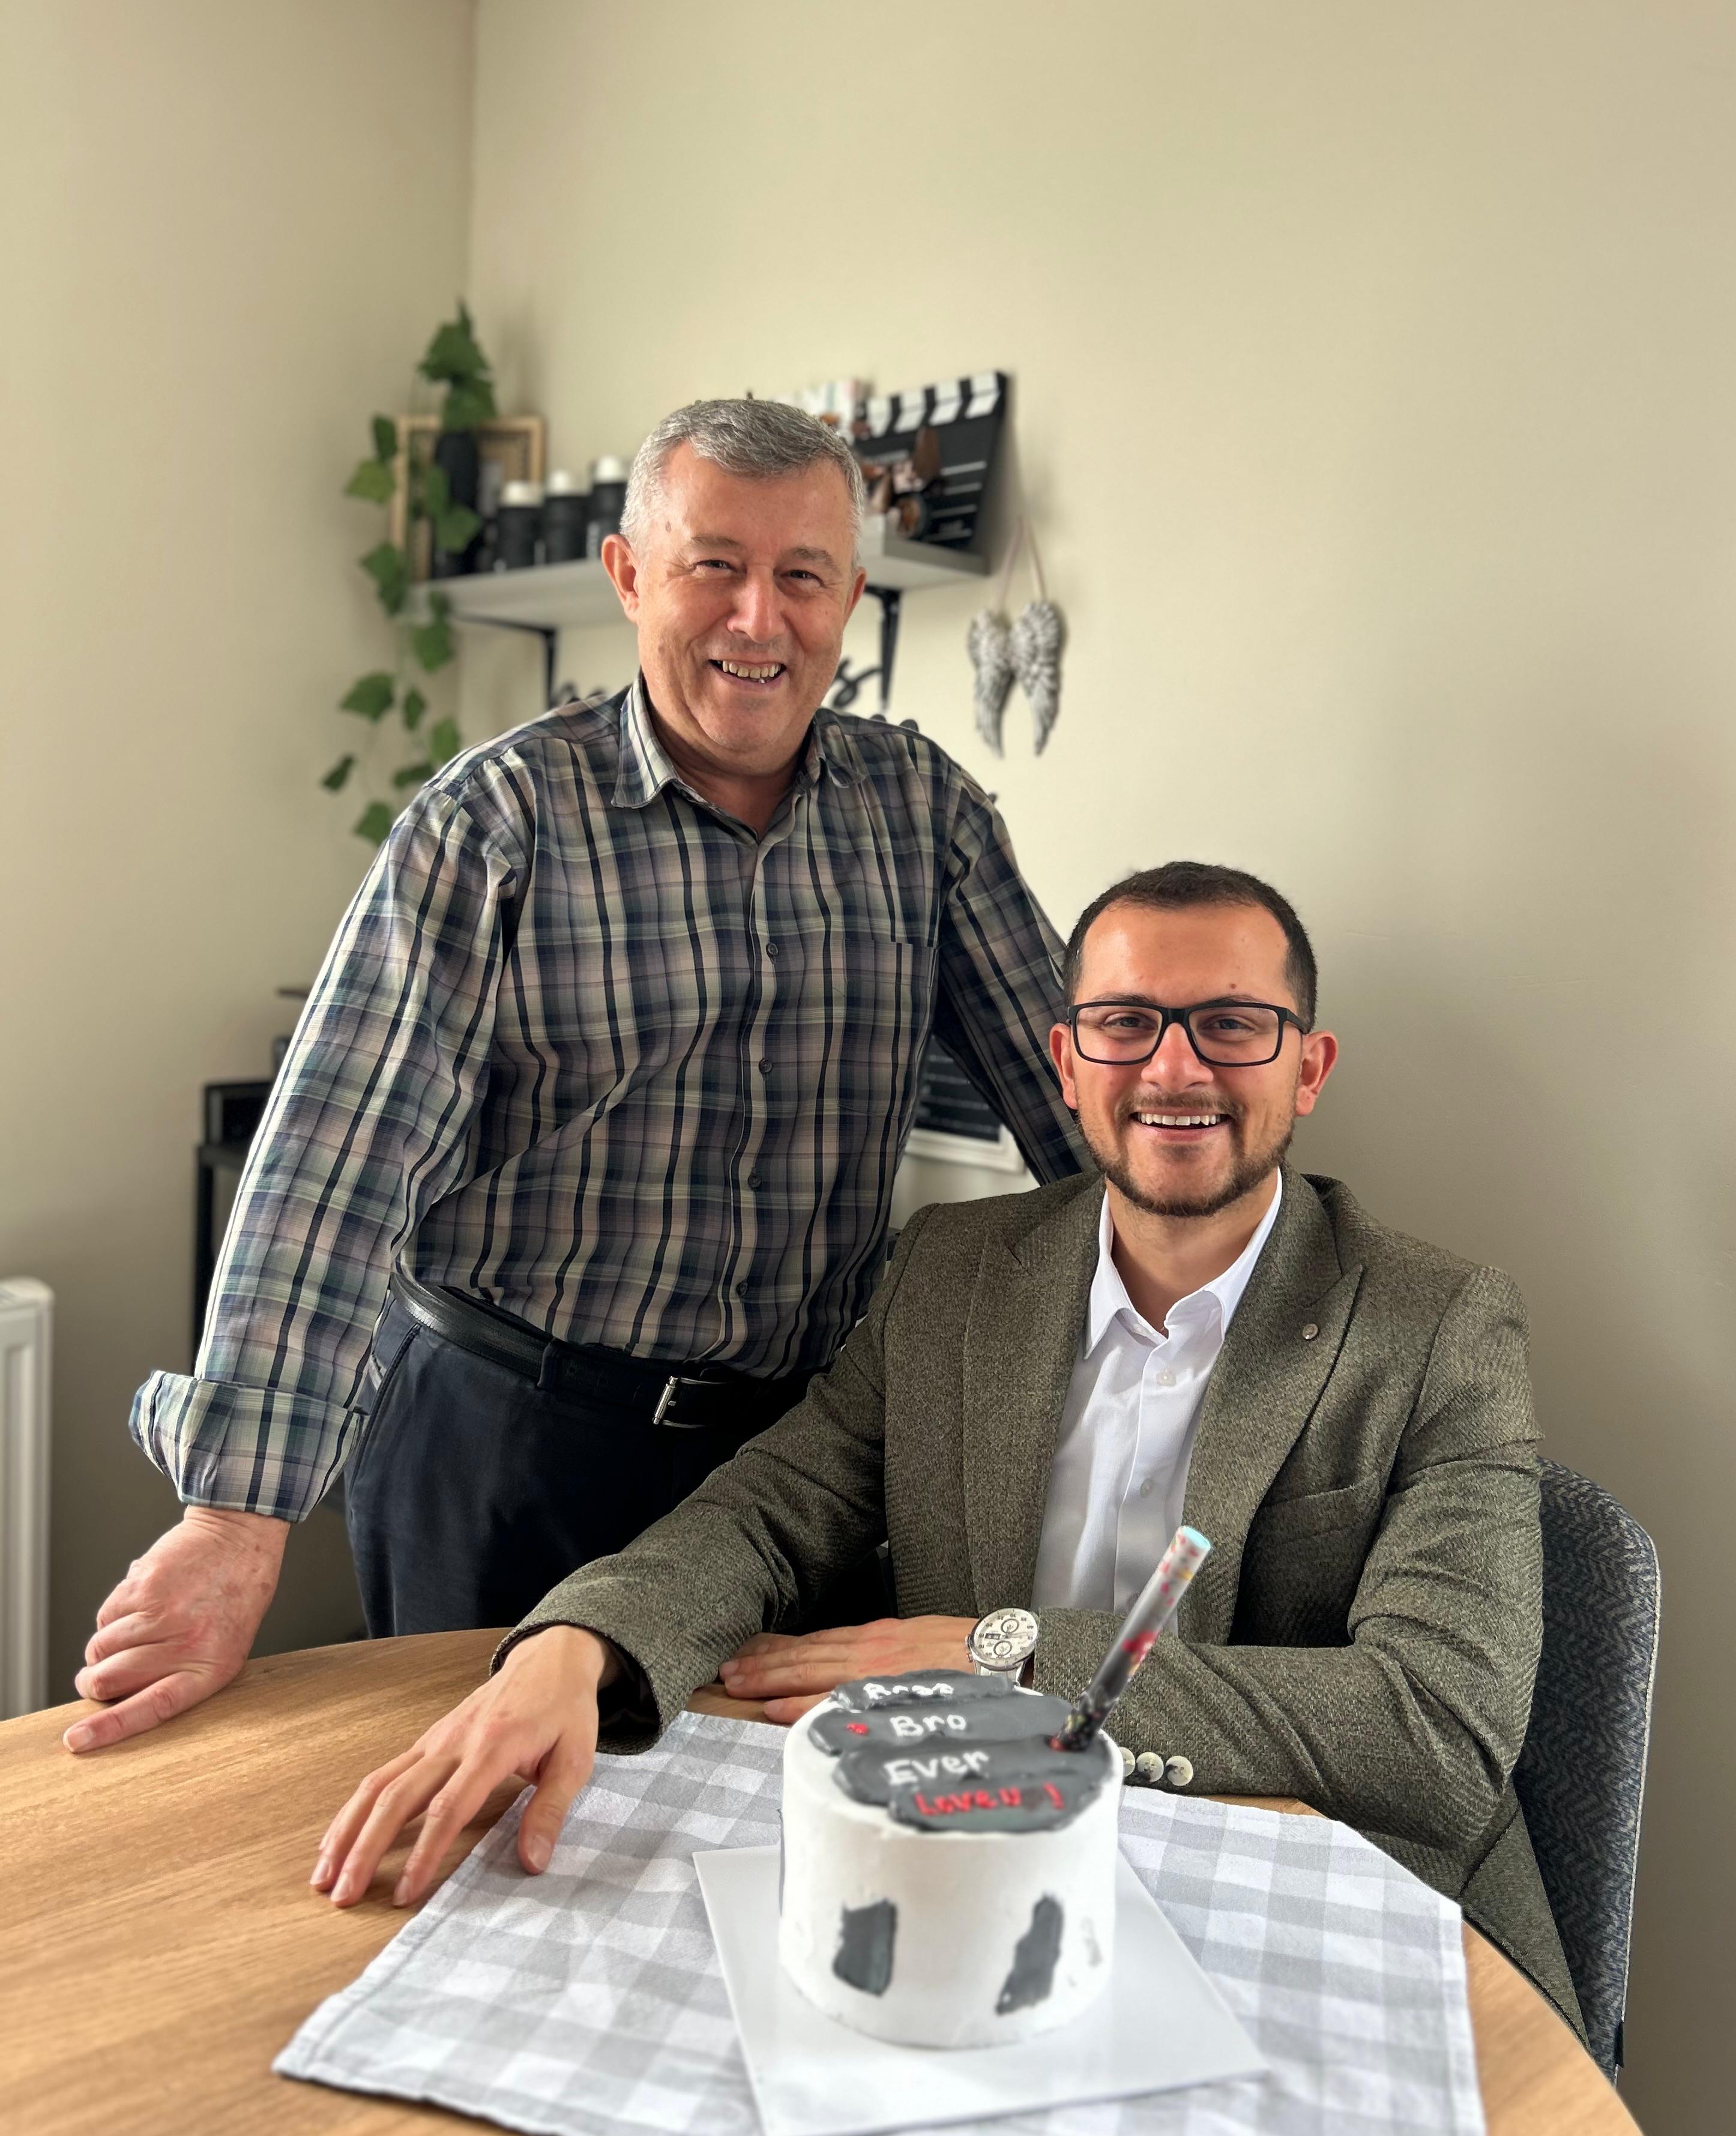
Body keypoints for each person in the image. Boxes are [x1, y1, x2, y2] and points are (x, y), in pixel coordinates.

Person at [310, 860, 1582, 2038]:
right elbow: (771, 1508)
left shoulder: (1437, 1325)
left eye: (1232, 1025)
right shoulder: (953, 1271)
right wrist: (584, 1644)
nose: (1175, 1067)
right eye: (1126, 1023)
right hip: (970, 1878)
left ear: (1308, 1067)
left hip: (1302, 1901)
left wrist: (1011, 1662)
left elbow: (1438, 1727)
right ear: (1068, 1063)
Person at [68, 399, 1085, 1755]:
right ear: (629, 574)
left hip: (785, 1470)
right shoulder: (495, 822)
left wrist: (1265, 1317)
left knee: (759, 1825)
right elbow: (337, 1167)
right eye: (714, 565)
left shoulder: (925, 815)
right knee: (487, 1823)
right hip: (507, 1441)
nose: (759, 619)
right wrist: (232, 1521)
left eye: (803, 575)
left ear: (851, 596)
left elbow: (1082, 1101)